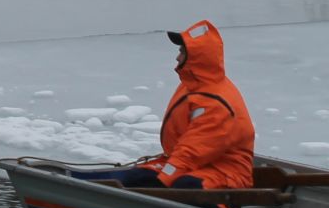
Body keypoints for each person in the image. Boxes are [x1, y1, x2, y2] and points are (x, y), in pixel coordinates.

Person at [76, 20, 255, 191]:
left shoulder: (214, 103)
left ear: (197, 58)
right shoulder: (195, 84)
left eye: (182, 52)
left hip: (226, 172)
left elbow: (193, 151)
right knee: (136, 177)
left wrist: (164, 178)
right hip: (201, 163)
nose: (177, 57)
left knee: (187, 187)